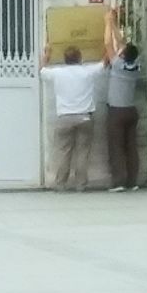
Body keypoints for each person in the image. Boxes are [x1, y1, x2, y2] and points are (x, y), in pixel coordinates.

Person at [41, 45, 106, 190]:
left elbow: (42, 71)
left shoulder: (58, 73)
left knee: (64, 152)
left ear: (65, 59)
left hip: (64, 118)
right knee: (82, 153)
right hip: (84, 117)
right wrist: (108, 46)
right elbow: (105, 63)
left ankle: (60, 184)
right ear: (80, 58)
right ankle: (81, 185)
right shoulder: (87, 71)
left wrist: (47, 54)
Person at [106, 43, 142, 191]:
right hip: (131, 111)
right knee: (131, 147)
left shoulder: (117, 65)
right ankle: (132, 182)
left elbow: (108, 44)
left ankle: (119, 182)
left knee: (116, 147)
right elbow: (124, 48)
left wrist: (109, 28)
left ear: (123, 55)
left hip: (117, 111)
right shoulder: (137, 67)